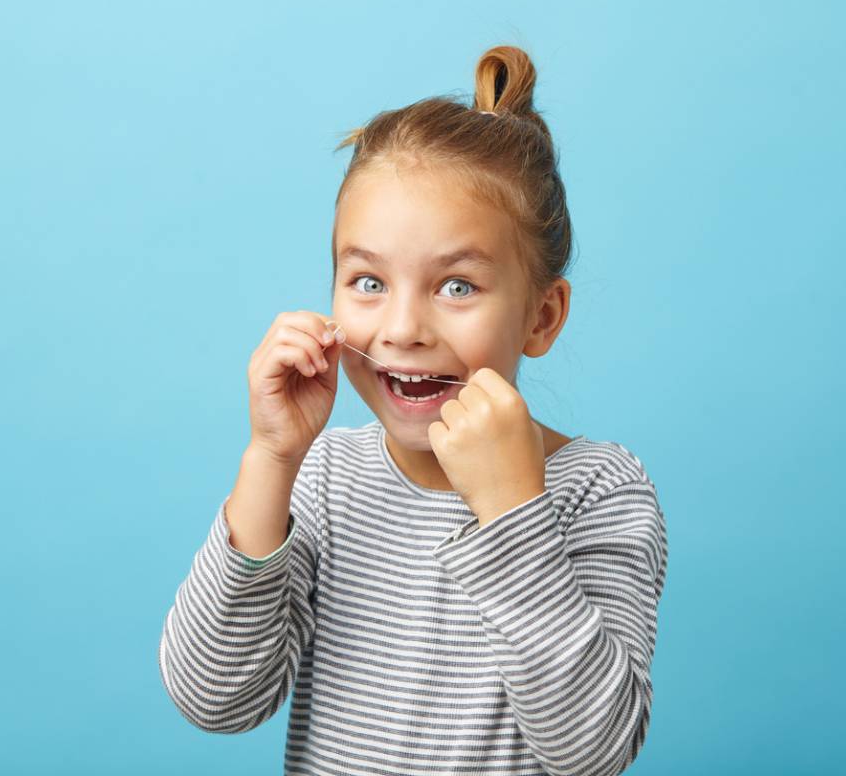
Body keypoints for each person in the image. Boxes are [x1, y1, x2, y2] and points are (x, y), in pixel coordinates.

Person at [158, 44, 669, 776]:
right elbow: (215, 699)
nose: (401, 329)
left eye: (456, 287)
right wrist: (270, 461)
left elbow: (592, 752)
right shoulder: (327, 476)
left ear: (542, 317)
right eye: (367, 282)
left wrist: (511, 511)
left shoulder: (598, 491)